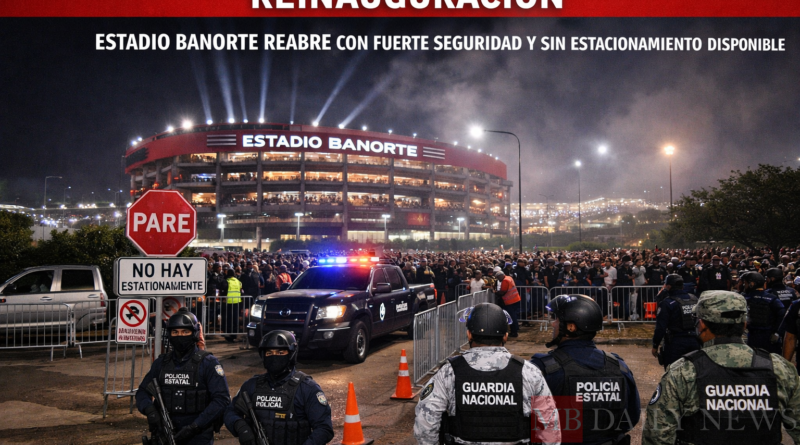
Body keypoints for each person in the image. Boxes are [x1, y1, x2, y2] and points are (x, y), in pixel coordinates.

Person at [643, 291, 800, 445]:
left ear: (701, 324)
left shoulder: (683, 371)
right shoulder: (780, 369)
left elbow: (658, 435)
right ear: (744, 324)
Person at [413, 303, 560, 445]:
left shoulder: (449, 372)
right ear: (505, 336)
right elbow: (550, 424)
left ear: (469, 334)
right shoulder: (528, 372)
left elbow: (426, 421)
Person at [531, 294, 640, 445]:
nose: (552, 324)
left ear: (571, 327)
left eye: (556, 320)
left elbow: (529, 421)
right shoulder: (619, 366)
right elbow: (631, 417)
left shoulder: (543, 368)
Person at [137, 308, 230, 445]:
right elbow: (142, 392)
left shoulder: (208, 363)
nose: (180, 336)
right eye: (175, 332)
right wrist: (149, 410)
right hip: (164, 433)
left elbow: (222, 400)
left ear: (194, 333)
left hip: (198, 435)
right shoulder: (161, 363)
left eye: (185, 332)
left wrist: (195, 427)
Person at [224, 330, 334, 445]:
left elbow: (324, 428)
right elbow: (230, 412)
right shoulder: (252, 385)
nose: (274, 356)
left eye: (280, 353)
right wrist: (241, 427)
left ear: (291, 354)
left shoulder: (307, 388)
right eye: (269, 353)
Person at [651, 274, 700, 369]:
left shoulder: (667, 303)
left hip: (675, 342)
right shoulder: (694, 299)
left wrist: (655, 345)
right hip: (695, 340)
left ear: (668, 286)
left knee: (673, 373)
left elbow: (660, 327)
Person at [741, 271, 785, 354]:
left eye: (745, 283)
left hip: (753, 336)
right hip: (770, 337)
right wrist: (777, 332)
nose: (744, 285)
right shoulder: (772, 298)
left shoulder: (744, 298)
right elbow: (782, 313)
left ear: (752, 284)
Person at [494, 271, 521, 338]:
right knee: (514, 316)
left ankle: (514, 332)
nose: (498, 280)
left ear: (500, 276)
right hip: (516, 299)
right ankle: (516, 329)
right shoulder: (509, 277)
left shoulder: (505, 281)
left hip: (510, 301)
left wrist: (495, 292)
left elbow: (503, 292)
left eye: (498, 278)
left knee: (511, 317)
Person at [224, 269, 243, 342]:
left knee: (229, 319)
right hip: (237, 302)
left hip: (228, 302)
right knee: (235, 319)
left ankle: (229, 334)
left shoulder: (227, 281)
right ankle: (234, 335)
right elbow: (241, 290)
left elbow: (224, 290)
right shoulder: (238, 281)